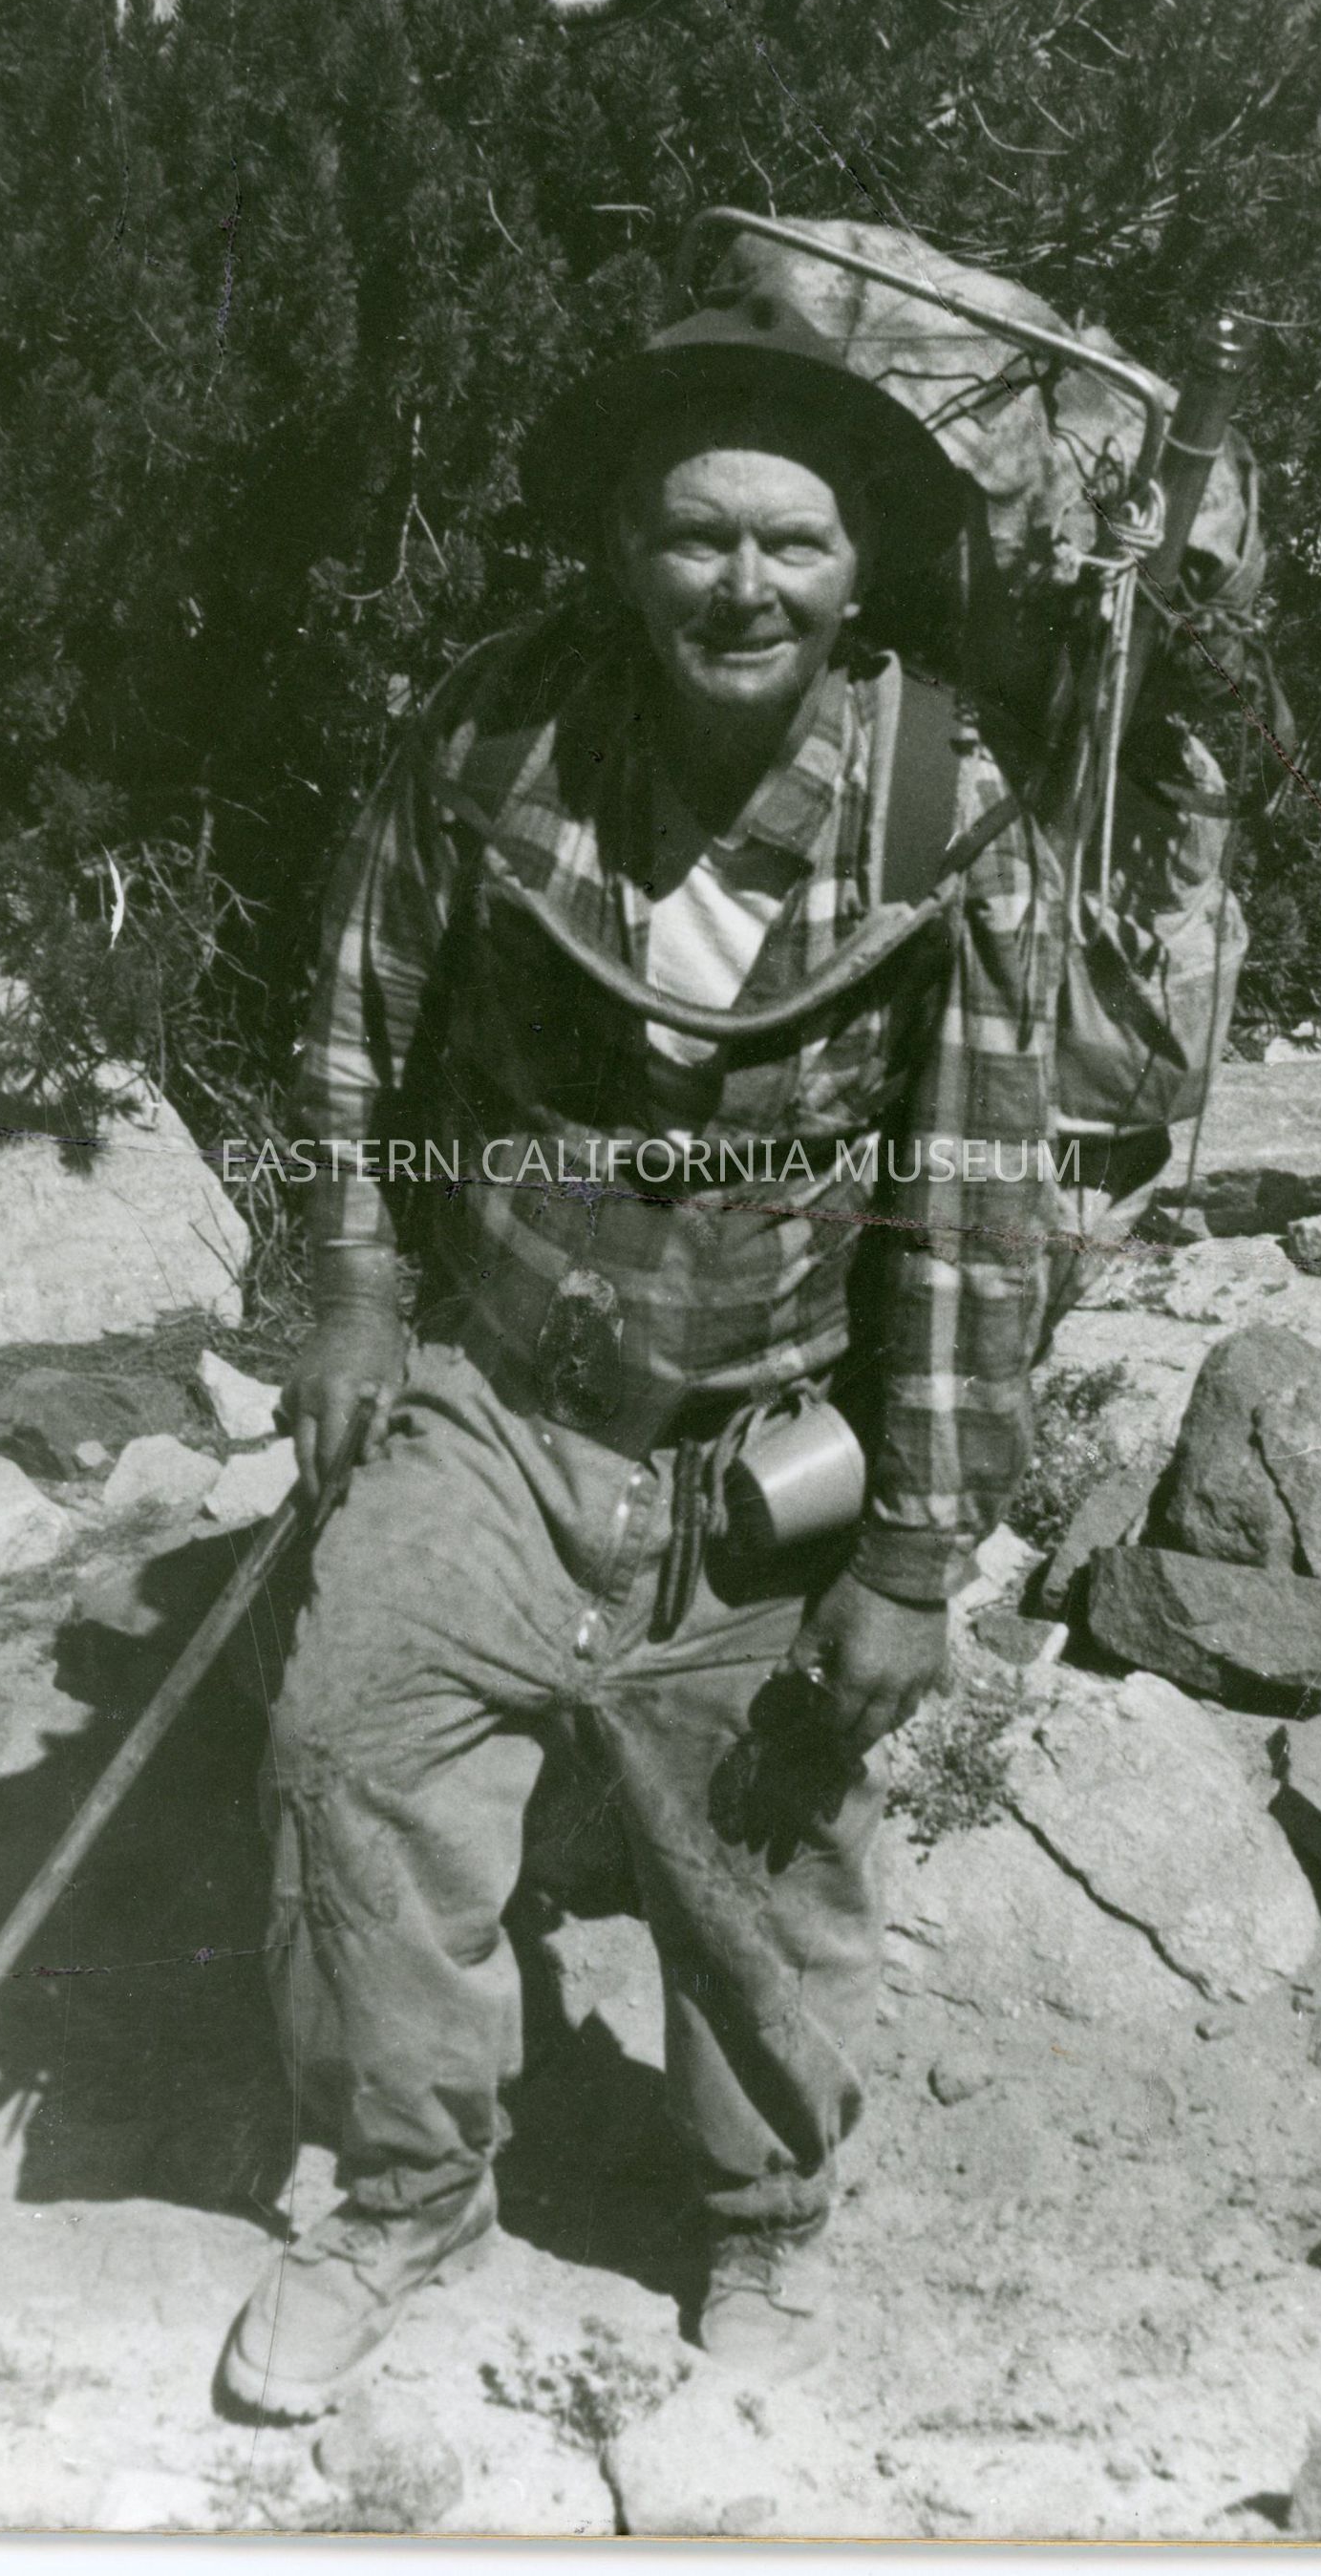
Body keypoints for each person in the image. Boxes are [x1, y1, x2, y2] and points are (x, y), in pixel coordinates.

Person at [218, 277, 1063, 2420]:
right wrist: (357, 1292)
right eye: (697, 534)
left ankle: (761, 2216)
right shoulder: (494, 733)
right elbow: (357, 1022)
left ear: (857, 570)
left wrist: (912, 1554)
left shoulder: (944, 808)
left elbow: (977, 1200)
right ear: (623, 547)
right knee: (348, 1738)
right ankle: (405, 2193)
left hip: (770, 1436)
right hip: (501, 1395)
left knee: (761, 1843)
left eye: (791, 542)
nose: (741, 585)